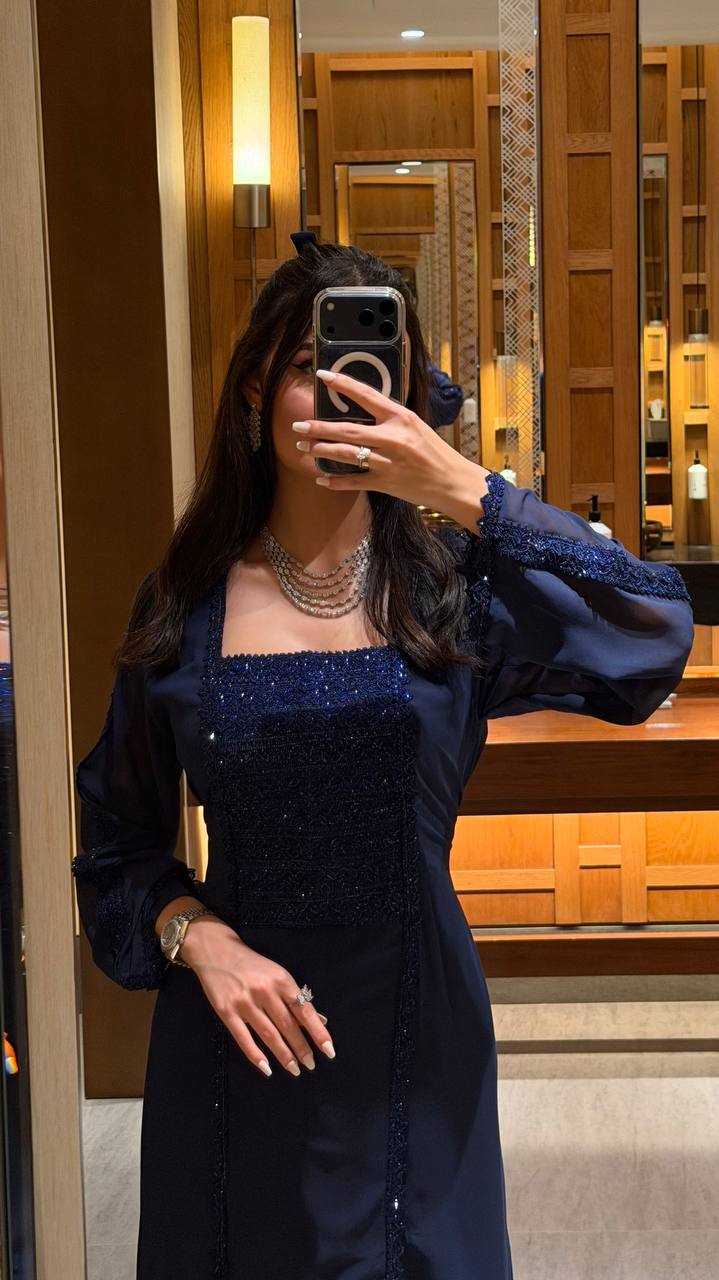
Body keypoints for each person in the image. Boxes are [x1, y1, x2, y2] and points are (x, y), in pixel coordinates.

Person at [71, 238, 694, 1280]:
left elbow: (654, 636)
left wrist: (460, 484)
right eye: (309, 365)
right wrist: (199, 938)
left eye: (373, 371)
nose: (341, 394)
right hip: (235, 1045)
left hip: (420, 1044)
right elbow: (114, 846)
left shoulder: (455, 592)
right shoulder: (185, 603)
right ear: (256, 386)